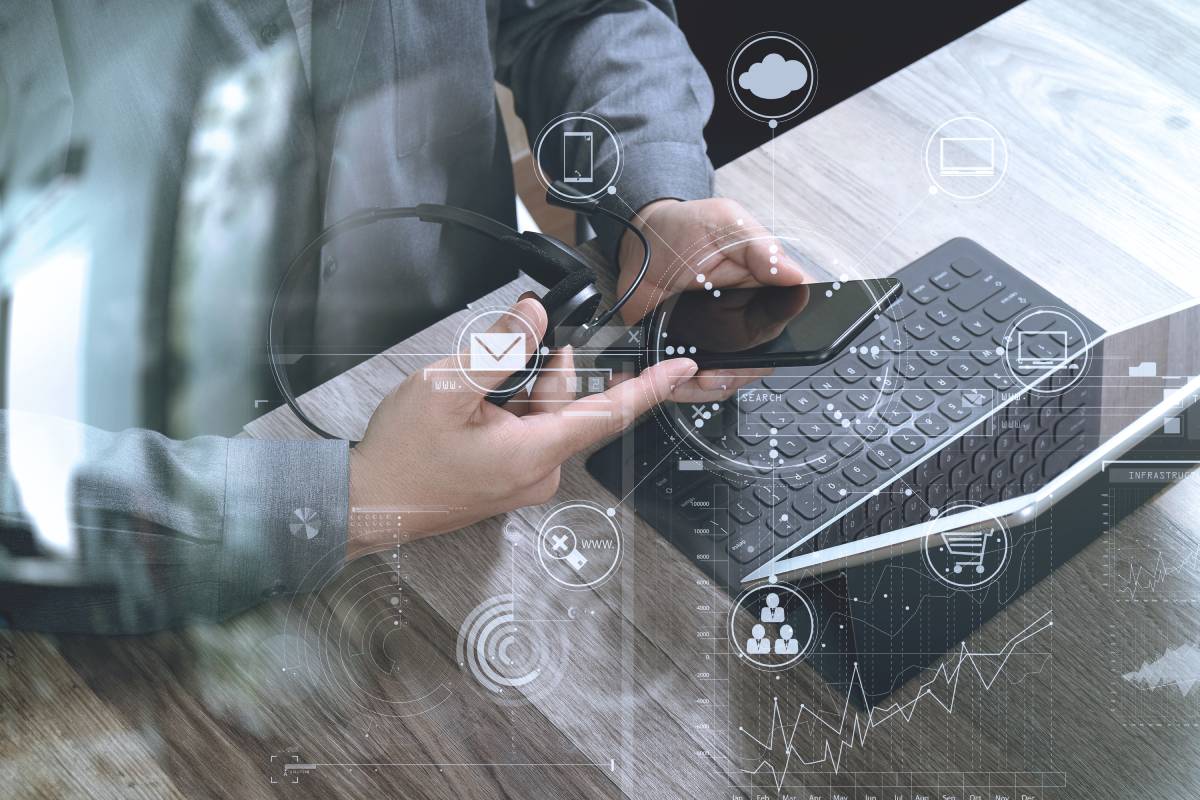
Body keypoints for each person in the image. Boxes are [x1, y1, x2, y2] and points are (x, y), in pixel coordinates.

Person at [0, 1, 805, 633]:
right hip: (133, 547)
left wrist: (650, 196)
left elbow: (583, 11)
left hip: (496, 417)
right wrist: (350, 499)